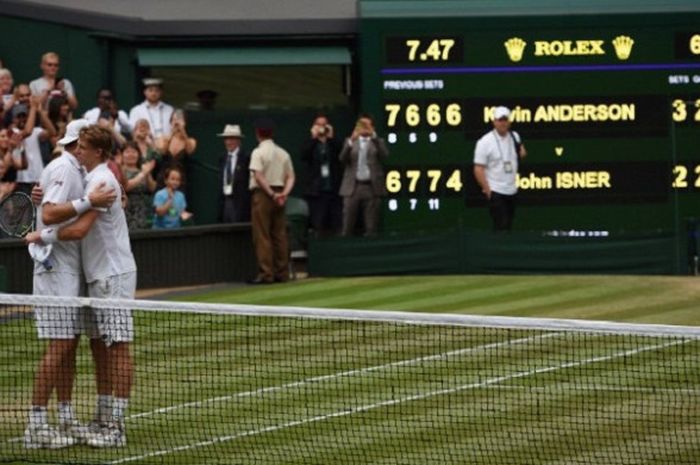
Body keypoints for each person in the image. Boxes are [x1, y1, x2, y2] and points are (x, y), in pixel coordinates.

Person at [27, 125, 138, 448]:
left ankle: (114, 425)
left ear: (97, 152)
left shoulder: (100, 179)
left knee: (117, 346)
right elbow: (58, 208)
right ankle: (100, 419)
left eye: (82, 146)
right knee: (98, 346)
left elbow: (77, 231)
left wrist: (41, 235)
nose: (77, 151)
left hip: (111, 274)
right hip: (93, 276)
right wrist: (43, 193)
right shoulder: (87, 177)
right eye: (77, 145)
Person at [249, 118, 295, 284]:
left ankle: (266, 274)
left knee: (263, 235)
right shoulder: (283, 153)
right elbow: (290, 177)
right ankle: (282, 273)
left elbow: (258, 175)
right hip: (279, 194)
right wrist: (283, 194)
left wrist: (271, 194)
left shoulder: (258, 152)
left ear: (257, 134)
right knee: (279, 234)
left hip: (263, 195)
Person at [473, 106, 527, 232]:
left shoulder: (515, 136)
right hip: (496, 190)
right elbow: (478, 168)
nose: (503, 123)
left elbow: (522, 153)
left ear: (509, 121)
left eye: (505, 120)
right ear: (494, 121)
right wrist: (488, 191)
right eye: (500, 120)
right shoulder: (485, 142)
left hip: (512, 190)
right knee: (501, 226)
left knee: (508, 226)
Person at [339, 114, 389, 237]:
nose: (364, 128)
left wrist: (374, 137)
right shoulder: (350, 142)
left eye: (367, 125)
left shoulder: (378, 142)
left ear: (372, 127)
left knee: (371, 227)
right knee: (347, 225)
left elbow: (385, 155)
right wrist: (351, 141)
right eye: (362, 125)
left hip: (371, 188)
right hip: (353, 187)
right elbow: (342, 158)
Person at [301, 114, 343, 236]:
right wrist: (314, 138)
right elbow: (304, 155)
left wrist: (330, 137)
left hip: (334, 190)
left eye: (324, 125)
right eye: (319, 125)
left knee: (337, 225)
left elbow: (341, 154)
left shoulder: (333, 143)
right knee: (318, 225)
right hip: (317, 192)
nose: (321, 128)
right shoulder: (310, 143)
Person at [12, 97, 56, 194]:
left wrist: (40, 112)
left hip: (38, 179)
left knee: (39, 209)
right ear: (13, 119)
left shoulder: (36, 131)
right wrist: (33, 108)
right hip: (22, 181)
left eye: (24, 116)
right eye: (18, 116)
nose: (22, 119)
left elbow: (52, 132)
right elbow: (27, 132)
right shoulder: (12, 133)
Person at [217, 124, 250, 223]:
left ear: (238, 140)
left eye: (231, 139)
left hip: (240, 203)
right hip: (225, 201)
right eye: (226, 139)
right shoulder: (222, 158)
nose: (228, 142)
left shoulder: (246, 158)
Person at [155, 109, 196, 186]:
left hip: (180, 181)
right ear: (170, 122)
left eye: (180, 119)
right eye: (174, 120)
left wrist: (183, 132)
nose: (176, 122)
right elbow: (163, 151)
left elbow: (189, 150)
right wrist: (172, 134)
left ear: (185, 123)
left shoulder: (190, 140)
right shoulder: (163, 139)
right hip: (164, 179)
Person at [122, 141, 156, 230]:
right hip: (126, 209)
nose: (131, 155)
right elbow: (126, 187)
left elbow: (152, 188)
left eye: (134, 152)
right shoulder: (120, 171)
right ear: (122, 155)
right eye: (127, 152)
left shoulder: (143, 170)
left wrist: (147, 173)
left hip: (143, 209)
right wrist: (143, 174)